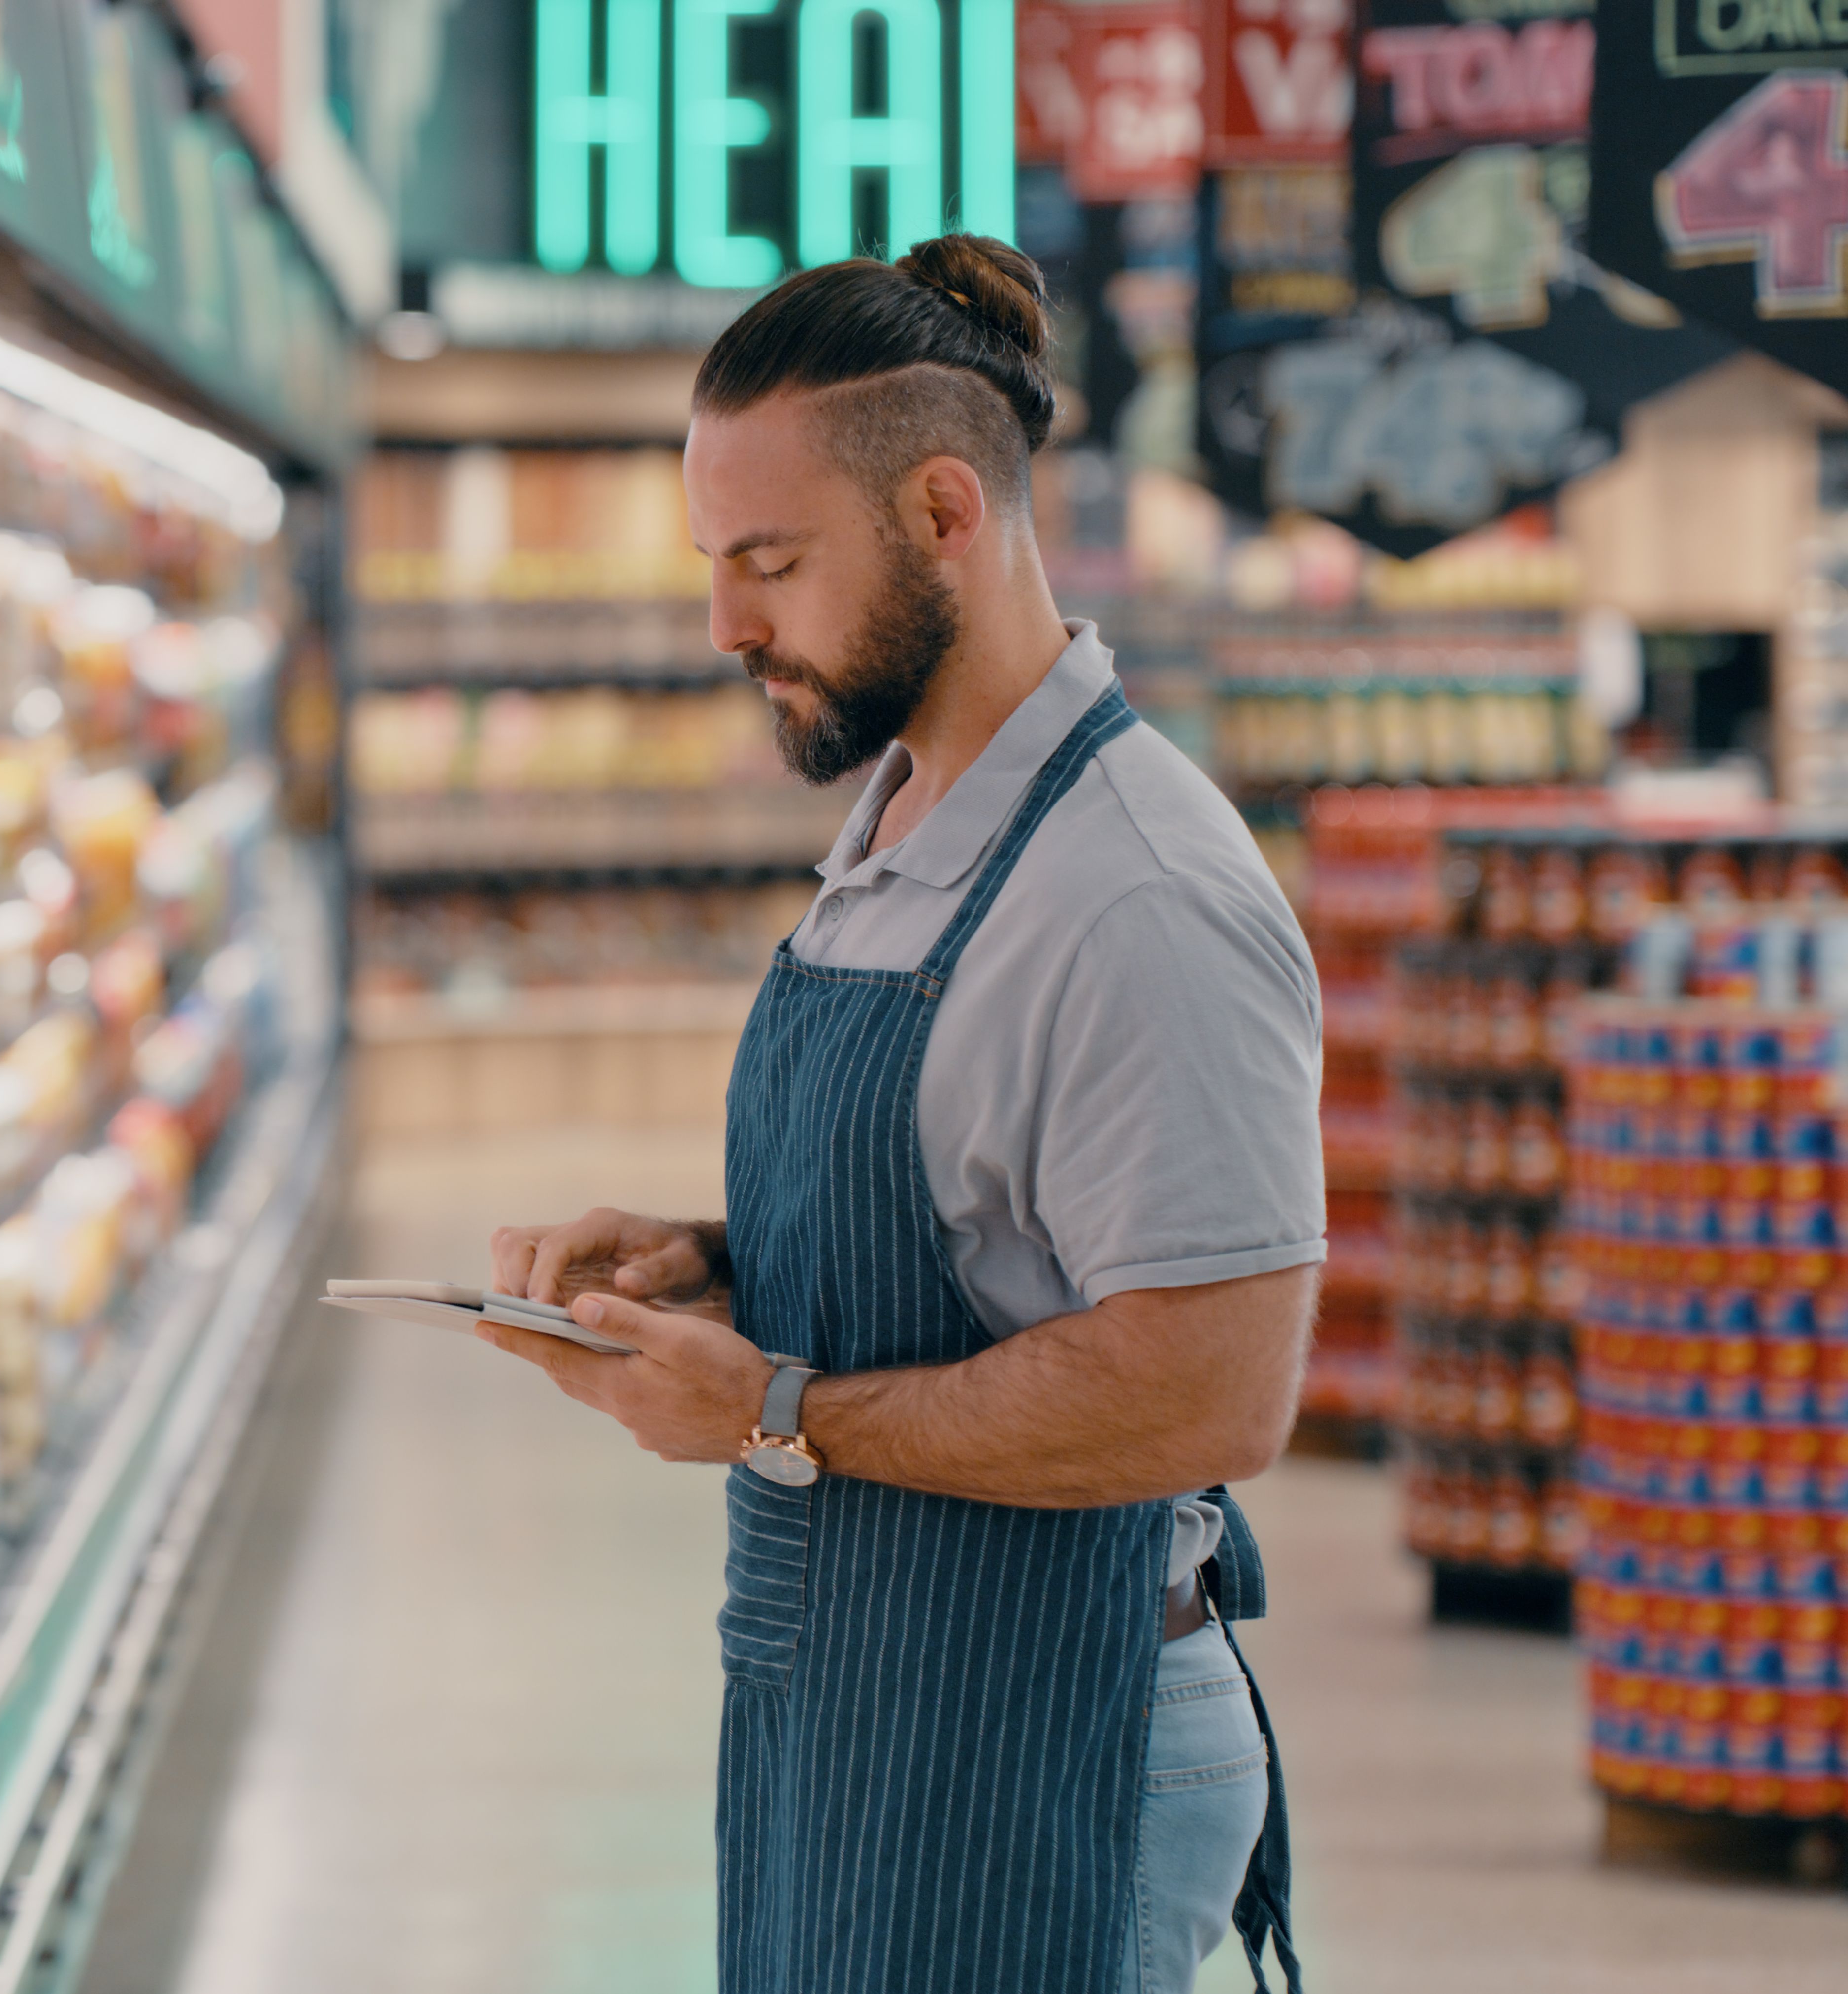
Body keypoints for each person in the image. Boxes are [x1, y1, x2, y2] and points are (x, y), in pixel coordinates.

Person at [479, 234, 1317, 1994]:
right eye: (715, 566)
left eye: (771, 563)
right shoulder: (905, 820)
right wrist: (715, 1259)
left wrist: (782, 1407)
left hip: (1045, 1737)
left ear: (946, 512)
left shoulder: (1140, 892)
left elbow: (1217, 1384)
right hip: (863, 1703)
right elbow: (984, 1223)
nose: (726, 626)